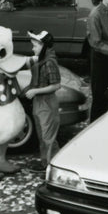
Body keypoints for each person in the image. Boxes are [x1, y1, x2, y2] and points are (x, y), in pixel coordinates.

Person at [23, 31, 62, 171]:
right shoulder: (40, 59)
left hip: (47, 103)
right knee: (41, 136)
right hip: (38, 103)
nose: (33, 49)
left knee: (48, 138)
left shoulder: (50, 62)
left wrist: (35, 91)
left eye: (35, 46)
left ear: (43, 45)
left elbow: (56, 85)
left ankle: (53, 168)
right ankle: (45, 163)